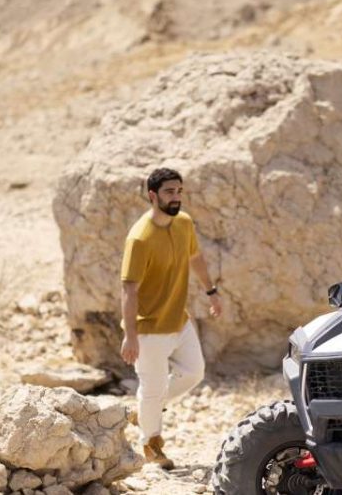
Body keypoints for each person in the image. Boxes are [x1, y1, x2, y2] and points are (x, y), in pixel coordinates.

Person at [119, 168, 222, 470]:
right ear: (153, 196)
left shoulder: (184, 223)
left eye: (179, 191)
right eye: (169, 192)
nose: (176, 197)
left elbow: (196, 258)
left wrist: (212, 291)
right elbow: (128, 288)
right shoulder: (139, 238)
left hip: (179, 321)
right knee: (152, 391)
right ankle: (152, 445)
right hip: (148, 329)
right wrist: (130, 334)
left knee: (194, 372)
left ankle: (145, 410)